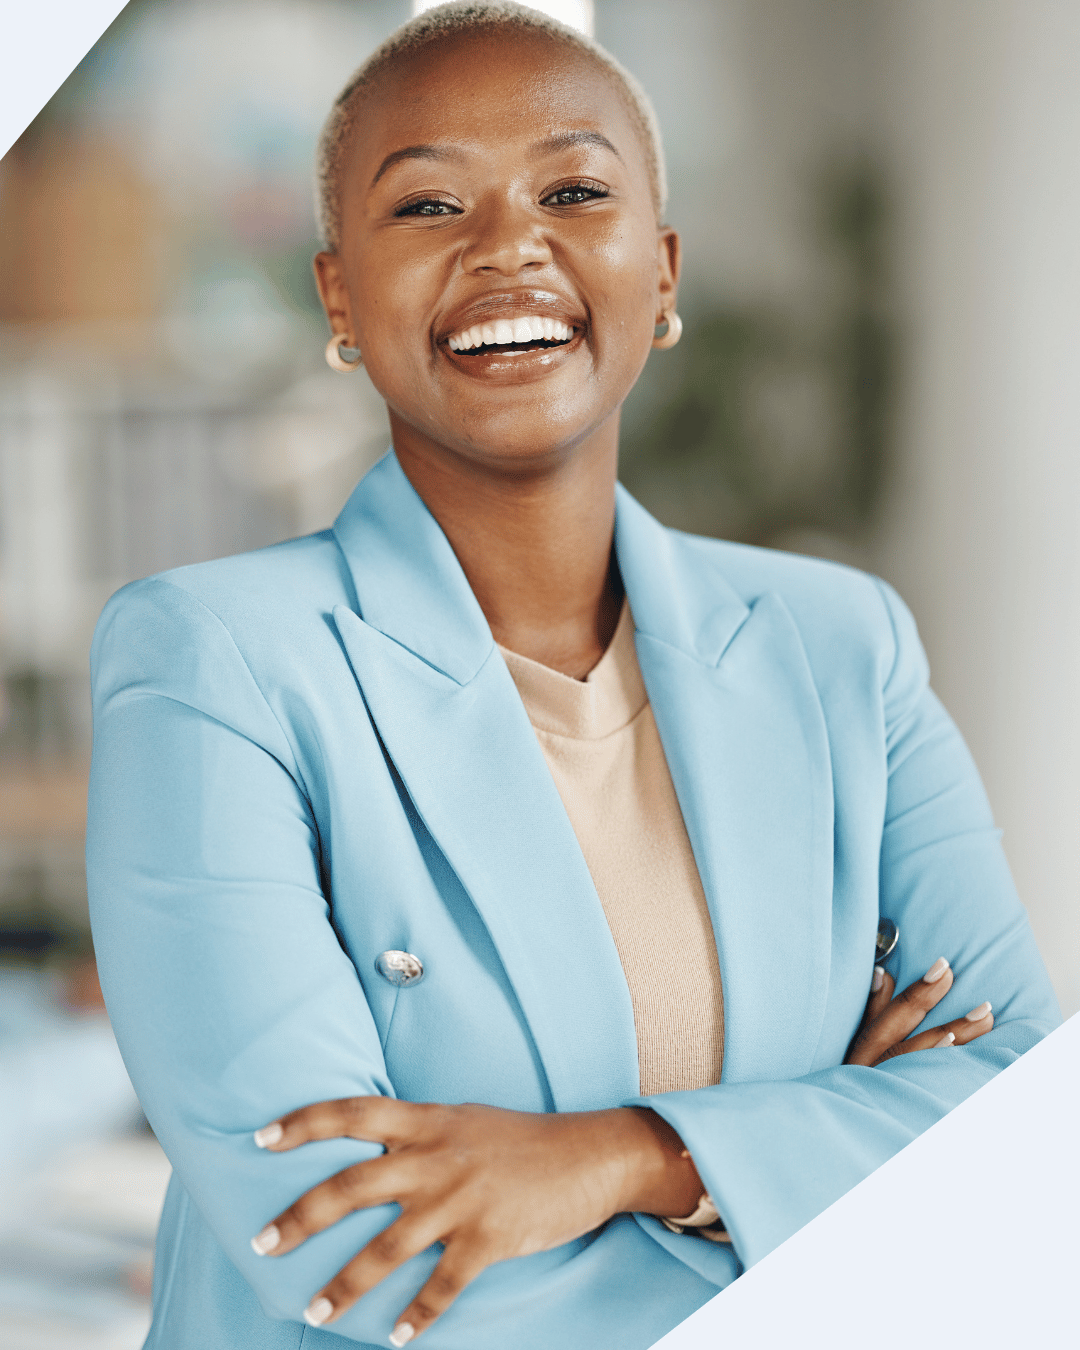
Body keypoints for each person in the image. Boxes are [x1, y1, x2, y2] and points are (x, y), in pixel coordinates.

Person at [85, 5, 1061, 1349]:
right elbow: (351, 1249)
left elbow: (1018, 1137)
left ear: (661, 273)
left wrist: (624, 1155)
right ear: (340, 298)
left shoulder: (844, 644)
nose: (507, 244)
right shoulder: (213, 663)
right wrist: (808, 1168)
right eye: (428, 204)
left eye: (574, 191)